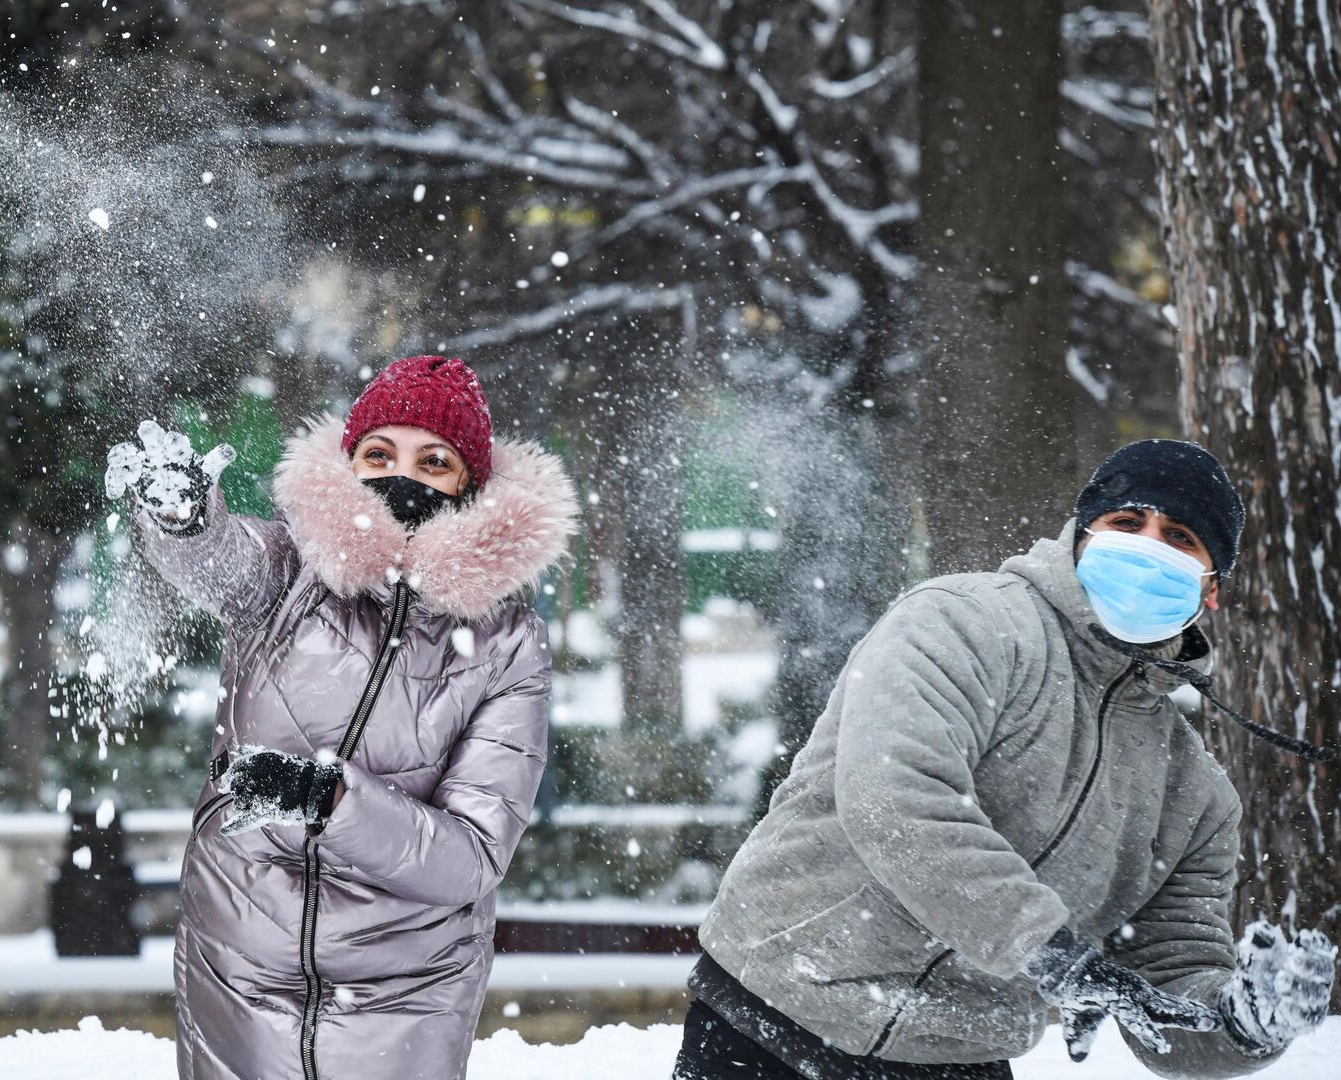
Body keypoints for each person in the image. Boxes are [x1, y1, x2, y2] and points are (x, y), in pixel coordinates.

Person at [674, 440, 1336, 1080]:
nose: (1147, 546)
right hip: (777, 1014)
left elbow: (1170, 985)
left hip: (956, 1057)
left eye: (1180, 537)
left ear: (1212, 588)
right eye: (1128, 522)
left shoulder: (1194, 796)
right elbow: (895, 802)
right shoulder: (961, 622)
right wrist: (1050, 952)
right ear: (1082, 535)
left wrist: (1244, 1024)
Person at [105, 355, 578, 1080]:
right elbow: (220, 559)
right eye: (379, 454)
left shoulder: (505, 643)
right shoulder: (288, 573)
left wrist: (328, 800)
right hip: (238, 962)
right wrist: (185, 518)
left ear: (471, 486)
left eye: (434, 462)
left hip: (408, 989)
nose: (402, 478)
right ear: (348, 464)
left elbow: (472, 858)